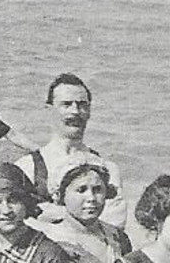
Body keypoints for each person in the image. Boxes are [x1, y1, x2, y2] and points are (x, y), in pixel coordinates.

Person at [23, 73, 128, 229]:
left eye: (82, 104)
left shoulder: (109, 169)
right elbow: (17, 224)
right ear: (48, 109)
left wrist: (54, 213)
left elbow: (115, 224)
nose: (75, 111)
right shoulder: (27, 167)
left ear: (89, 111)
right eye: (66, 104)